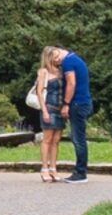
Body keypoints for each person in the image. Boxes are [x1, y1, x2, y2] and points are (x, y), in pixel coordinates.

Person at [30, 48, 69, 183]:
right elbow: (40, 92)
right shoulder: (43, 72)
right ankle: (44, 168)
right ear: (49, 57)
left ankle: (53, 168)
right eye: (55, 57)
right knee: (47, 139)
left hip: (60, 108)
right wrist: (44, 111)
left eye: (59, 56)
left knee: (56, 140)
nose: (58, 59)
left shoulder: (61, 71)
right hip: (49, 107)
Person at [56, 44, 93, 181]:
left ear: (59, 51)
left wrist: (66, 103)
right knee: (78, 137)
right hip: (84, 102)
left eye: (54, 57)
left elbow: (71, 83)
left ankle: (80, 172)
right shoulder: (76, 59)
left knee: (78, 139)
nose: (56, 61)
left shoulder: (68, 62)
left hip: (77, 103)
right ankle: (80, 171)